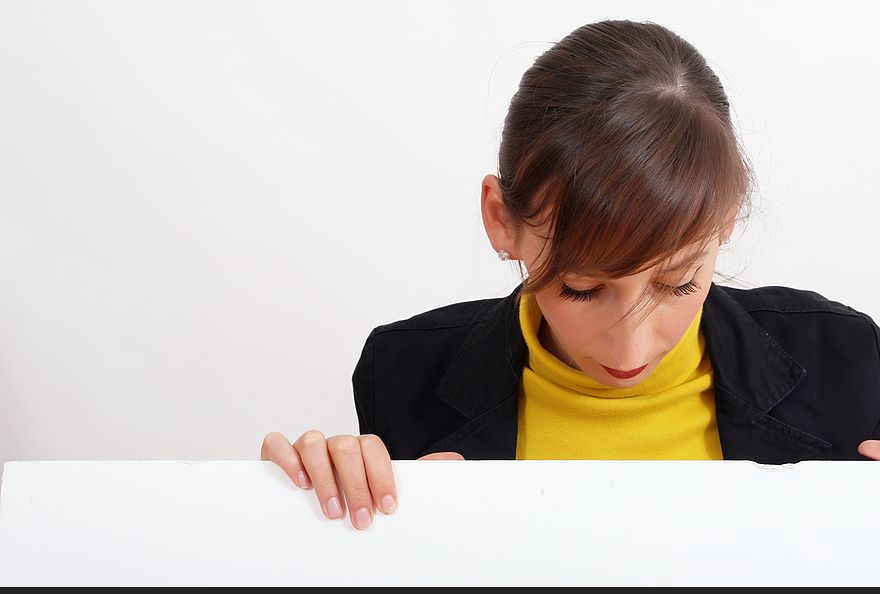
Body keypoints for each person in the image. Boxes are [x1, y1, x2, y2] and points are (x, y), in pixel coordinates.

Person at [260, 19, 880, 530]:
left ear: (725, 222)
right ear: (502, 220)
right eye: (581, 288)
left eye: (678, 285)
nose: (630, 348)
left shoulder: (844, 360)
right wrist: (303, 519)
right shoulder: (403, 375)